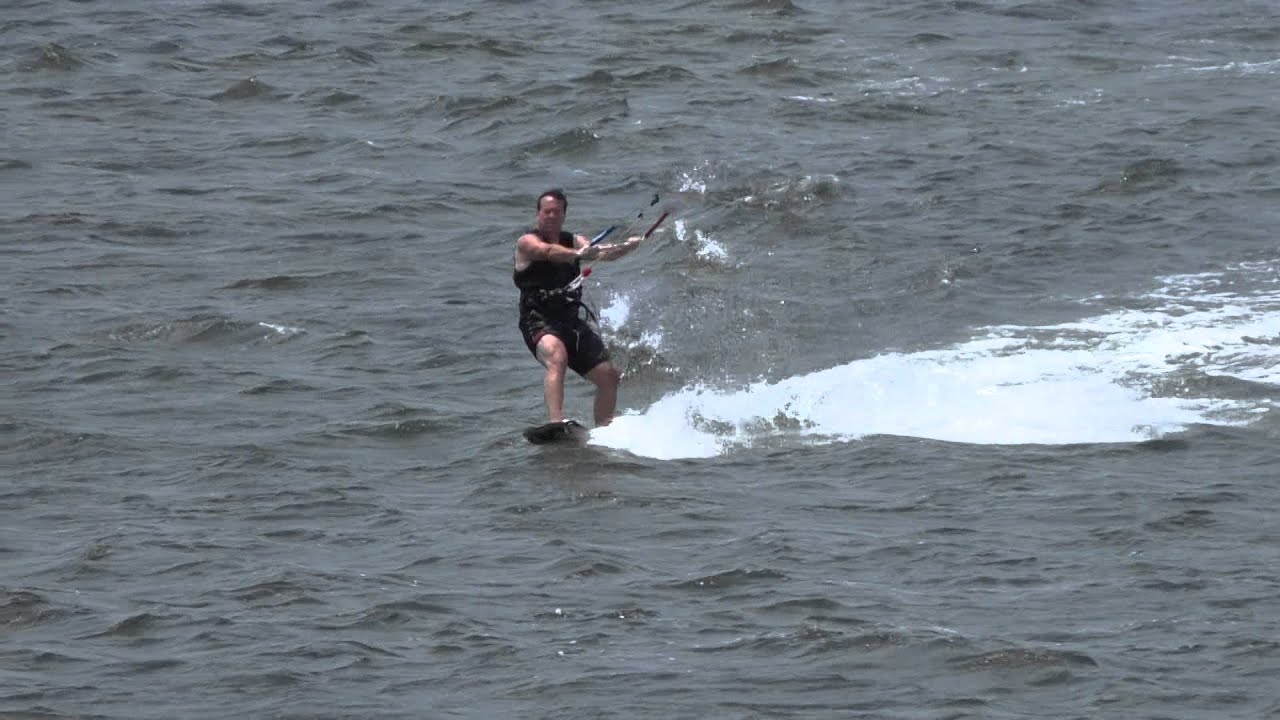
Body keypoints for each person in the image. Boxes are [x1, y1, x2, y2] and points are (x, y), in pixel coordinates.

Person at [513, 189, 641, 427]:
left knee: (608, 376)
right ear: (538, 214)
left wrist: (628, 246)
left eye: (556, 212)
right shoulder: (527, 242)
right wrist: (577, 253)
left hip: (570, 320)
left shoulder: (574, 239)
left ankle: (604, 425)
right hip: (538, 320)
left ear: (563, 215)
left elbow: (602, 252)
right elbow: (548, 252)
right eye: (546, 211)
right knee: (557, 355)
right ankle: (556, 422)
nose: (551, 216)